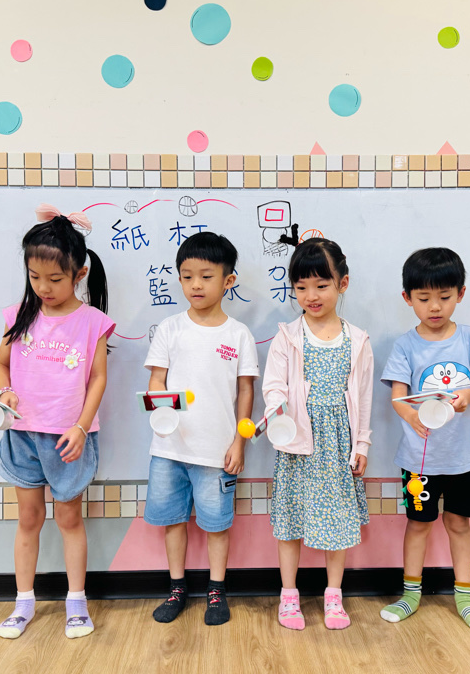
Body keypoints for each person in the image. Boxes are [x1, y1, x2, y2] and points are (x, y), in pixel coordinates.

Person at [0, 203, 115, 640]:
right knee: (28, 519)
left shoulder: (93, 322)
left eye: (55, 279)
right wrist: (5, 391)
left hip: (68, 439)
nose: (43, 287)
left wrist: (81, 427)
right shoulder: (18, 315)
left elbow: (98, 378)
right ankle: (23, 602)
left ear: (79, 274)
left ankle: (76, 603)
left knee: (68, 520)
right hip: (22, 436)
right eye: (34, 277)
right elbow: (0, 365)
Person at [380, 248, 470, 631]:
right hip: (419, 460)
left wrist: (468, 395)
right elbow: (398, 398)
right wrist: (411, 416)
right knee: (418, 525)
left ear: (460, 294)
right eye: (424, 298)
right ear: (407, 298)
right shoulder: (405, 345)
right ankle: (410, 594)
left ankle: (465, 597)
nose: (435, 306)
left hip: (465, 457)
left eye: (444, 297)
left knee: (459, 524)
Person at [144, 231, 259, 625]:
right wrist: (159, 409)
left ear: (228, 280)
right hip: (169, 449)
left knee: (216, 525)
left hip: (217, 451)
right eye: (187, 276)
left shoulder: (238, 334)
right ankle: (177, 588)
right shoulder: (170, 328)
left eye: (206, 276)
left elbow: (246, 391)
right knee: (172, 521)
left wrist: (240, 442)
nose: (195, 284)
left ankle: (216, 591)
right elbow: (156, 380)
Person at [262, 239, 373, 630]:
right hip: (297, 443)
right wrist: (277, 408)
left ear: (343, 283)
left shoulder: (358, 340)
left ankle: (334, 596)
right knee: (291, 521)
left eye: (321, 285)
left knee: (338, 523)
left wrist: (362, 444)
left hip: (338, 445)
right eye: (302, 286)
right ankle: (288, 596)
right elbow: (273, 385)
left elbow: (364, 396)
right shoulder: (287, 336)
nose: (311, 295)